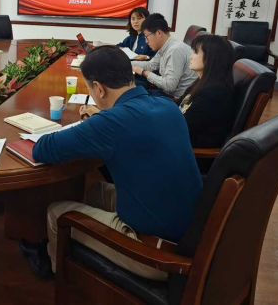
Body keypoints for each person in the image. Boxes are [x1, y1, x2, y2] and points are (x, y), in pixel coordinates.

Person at [19, 45, 202, 280]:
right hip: (189, 231)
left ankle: (57, 273)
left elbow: (43, 149)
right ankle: (66, 248)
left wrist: (95, 124)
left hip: (158, 255)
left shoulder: (111, 123)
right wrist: (99, 120)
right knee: (96, 191)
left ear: (98, 88)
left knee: (56, 212)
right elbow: (131, 128)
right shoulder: (168, 106)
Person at [178, 34, 236, 148]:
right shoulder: (203, 82)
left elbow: (182, 125)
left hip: (186, 148)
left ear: (210, 59)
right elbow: (179, 106)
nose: (190, 57)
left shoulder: (214, 92)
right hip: (179, 137)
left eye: (195, 52)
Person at [131, 13, 198, 99]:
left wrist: (144, 72)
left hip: (174, 99)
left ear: (159, 33)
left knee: (131, 95)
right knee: (133, 91)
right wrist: (126, 63)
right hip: (165, 93)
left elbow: (169, 86)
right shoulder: (165, 46)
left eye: (146, 37)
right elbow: (151, 65)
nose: (146, 41)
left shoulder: (175, 50)